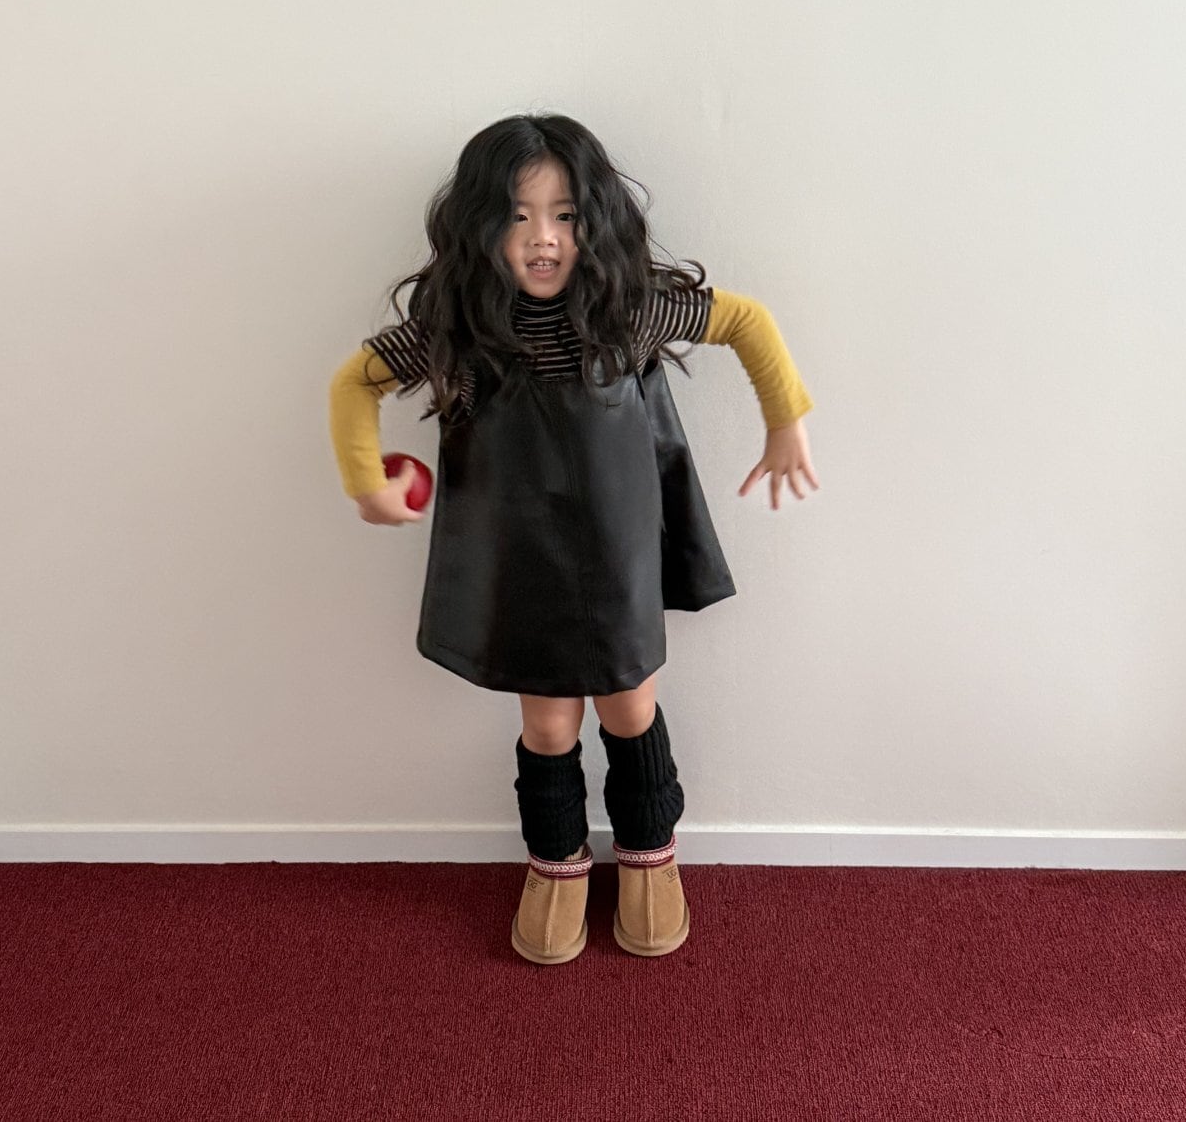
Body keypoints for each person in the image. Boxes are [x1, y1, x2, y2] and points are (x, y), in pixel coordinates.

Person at [327, 113, 818, 964]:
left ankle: (650, 852)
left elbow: (746, 320)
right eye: (518, 216)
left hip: (620, 554)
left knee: (630, 706)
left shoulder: (630, 310)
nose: (543, 238)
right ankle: (555, 861)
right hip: (521, 563)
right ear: (481, 226)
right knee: (549, 724)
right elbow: (354, 380)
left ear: (596, 222)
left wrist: (786, 421)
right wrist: (366, 480)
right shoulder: (463, 328)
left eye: (564, 215)